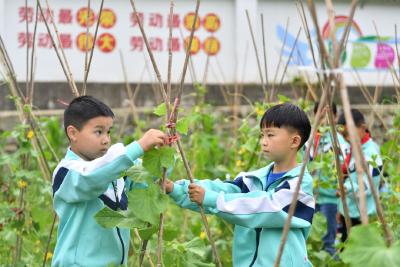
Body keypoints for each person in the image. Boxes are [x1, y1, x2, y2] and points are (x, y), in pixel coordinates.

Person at [165, 103, 314, 267]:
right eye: (262, 135)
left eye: (270, 135)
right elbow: (222, 190)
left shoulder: (299, 186)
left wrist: (213, 200)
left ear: (294, 141)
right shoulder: (253, 180)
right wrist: (175, 188)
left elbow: (266, 208)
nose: (263, 142)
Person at [51, 96, 166, 266]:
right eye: (98, 132)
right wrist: (138, 146)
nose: (106, 139)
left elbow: (148, 176)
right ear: (73, 133)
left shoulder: (117, 168)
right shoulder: (67, 172)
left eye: (108, 132)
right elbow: (93, 176)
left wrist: (163, 153)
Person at [336, 109, 382, 242]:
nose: (346, 138)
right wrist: (341, 208)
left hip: (362, 215)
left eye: (349, 133)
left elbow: (370, 186)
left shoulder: (371, 152)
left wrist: (348, 189)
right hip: (350, 212)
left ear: (363, 128)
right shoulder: (355, 148)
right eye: (343, 135)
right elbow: (350, 176)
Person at [307, 102, 339, 256]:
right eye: (320, 113)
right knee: (310, 239)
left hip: (331, 197)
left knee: (328, 242)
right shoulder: (310, 140)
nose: (324, 117)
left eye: (328, 113)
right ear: (315, 115)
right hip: (311, 197)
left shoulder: (339, 142)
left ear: (335, 116)